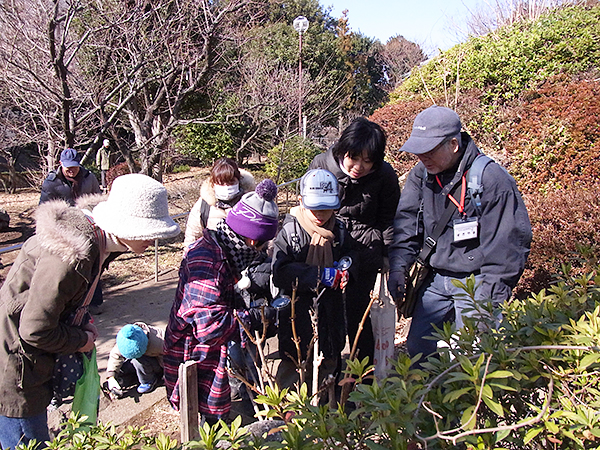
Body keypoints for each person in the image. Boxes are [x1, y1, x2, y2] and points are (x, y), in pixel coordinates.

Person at [0, 173, 180, 449]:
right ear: (124, 225)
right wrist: (80, 340)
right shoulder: (70, 255)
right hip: (17, 363)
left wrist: (82, 322)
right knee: (27, 440)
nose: (153, 240)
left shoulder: (100, 241)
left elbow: (63, 303)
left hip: (32, 358)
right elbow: (35, 328)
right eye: (149, 231)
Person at [388, 105, 532, 360]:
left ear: (453, 144)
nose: (422, 157)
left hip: (477, 282)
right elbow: (406, 224)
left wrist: (488, 302)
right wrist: (399, 268)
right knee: (419, 349)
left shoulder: (491, 179)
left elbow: (508, 248)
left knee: (470, 357)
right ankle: (429, 399)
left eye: (429, 150)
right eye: (418, 151)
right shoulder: (421, 175)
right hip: (435, 277)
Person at [163, 179, 279, 425]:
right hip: (194, 352)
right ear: (251, 240)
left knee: (212, 409)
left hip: (207, 351)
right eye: (262, 244)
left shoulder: (222, 248)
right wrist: (258, 317)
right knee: (203, 418)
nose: (261, 251)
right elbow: (211, 327)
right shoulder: (209, 263)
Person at [309, 118, 400, 364]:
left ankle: (363, 376)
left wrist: (387, 257)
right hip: (327, 248)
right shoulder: (321, 166)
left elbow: (388, 218)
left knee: (360, 317)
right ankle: (330, 373)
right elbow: (308, 209)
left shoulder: (384, 175)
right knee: (327, 313)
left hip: (365, 252)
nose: (359, 166)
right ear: (342, 150)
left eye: (368, 161)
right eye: (354, 157)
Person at [272, 169, 356, 390]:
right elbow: (280, 272)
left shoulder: (338, 229)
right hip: (297, 311)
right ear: (301, 201)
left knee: (330, 357)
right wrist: (320, 275)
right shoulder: (290, 231)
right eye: (315, 208)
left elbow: (350, 254)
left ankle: (326, 408)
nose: (320, 214)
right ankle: (289, 412)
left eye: (327, 208)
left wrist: (346, 270)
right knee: (294, 361)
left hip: (331, 309)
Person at [183, 158, 256, 248]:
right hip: (214, 259)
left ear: (239, 181)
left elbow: (268, 236)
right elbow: (191, 238)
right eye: (221, 183)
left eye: (231, 182)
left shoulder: (253, 202)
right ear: (213, 184)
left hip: (250, 259)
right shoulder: (203, 206)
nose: (226, 186)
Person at [105, 323, 165, 398]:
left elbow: (171, 358)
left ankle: (149, 381)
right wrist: (111, 376)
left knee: (139, 361)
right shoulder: (124, 341)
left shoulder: (159, 341)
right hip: (143, 357)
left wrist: (167, 376)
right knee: (125, 366)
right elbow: (115, 355)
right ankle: (121, 379)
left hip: (158, 363)